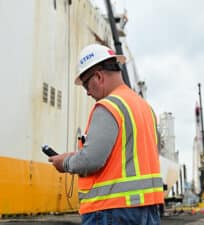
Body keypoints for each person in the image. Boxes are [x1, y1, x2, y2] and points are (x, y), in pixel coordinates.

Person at [48, 44, 164, 225]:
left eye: (86, 84)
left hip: (112, 211)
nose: (87, 92)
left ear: (99, 76)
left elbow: (91, 160)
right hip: (148, 209)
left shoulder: (109, 107)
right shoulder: (145, 108)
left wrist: (64, 162)